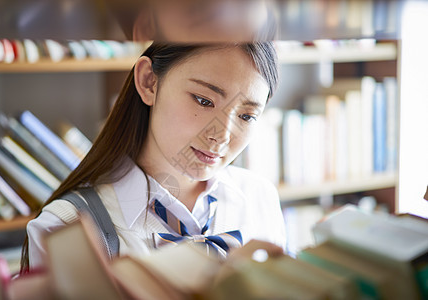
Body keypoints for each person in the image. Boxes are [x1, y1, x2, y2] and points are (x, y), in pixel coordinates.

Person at [20, 42, 286, 274]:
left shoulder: (258, 197)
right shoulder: (65, 227)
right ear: (149, 81)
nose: (222, 135)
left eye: (246, 116)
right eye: (204, 101)